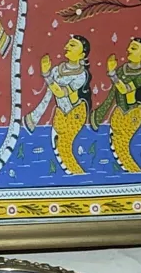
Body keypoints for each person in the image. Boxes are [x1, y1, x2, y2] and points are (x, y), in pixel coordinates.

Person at [27, 34, 94, 174]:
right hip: (61, 113)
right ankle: (77, 175)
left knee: (64, 148)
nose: (66, 47)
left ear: (82, 55)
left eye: (72, 45)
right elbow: (49, 94)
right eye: (68, 44)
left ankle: (79, 176)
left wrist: (46, 75)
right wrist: (34, 117)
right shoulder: (57, 70)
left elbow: (61, 93)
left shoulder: (81, 75)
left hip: (75, 114)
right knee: (59, 148)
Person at [93, 37, 141, 173]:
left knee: (122, 146)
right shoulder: (123, 69)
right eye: (129, 47)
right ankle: (134, 172)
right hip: (121, 111)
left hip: (135, 111)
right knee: (117, 145)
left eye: (134, 48)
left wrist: (112, 74)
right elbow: (113, 93)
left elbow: (124, 89)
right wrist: (101, 112)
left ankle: (136, 173)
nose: (128, 50)